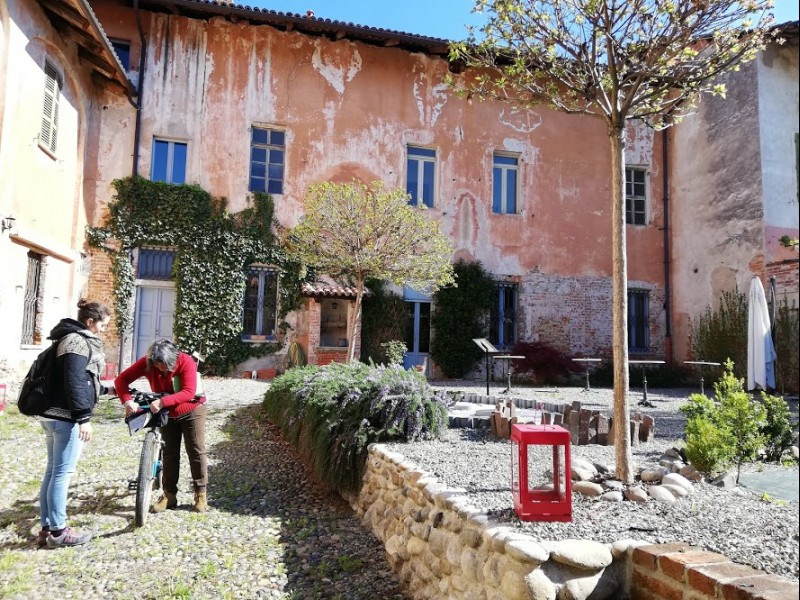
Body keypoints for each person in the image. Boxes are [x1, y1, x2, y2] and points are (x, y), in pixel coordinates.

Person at [38, 299, 112, 549]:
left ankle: (47, 527)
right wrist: (83, 418)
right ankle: (59, 531)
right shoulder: (77, 341)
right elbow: (74, 381)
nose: (103, 330)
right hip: (65, 417)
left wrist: (105, 389)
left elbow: (80, 380)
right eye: (102, 325)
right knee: (62, 473)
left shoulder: (66, 338)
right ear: (90, 322)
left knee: (53, 471)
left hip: (51, 415)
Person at [114, 339, 208, 513]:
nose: (163, 369)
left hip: (192, 409)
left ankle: (200, 493)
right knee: (169, 453)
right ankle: (169, 495)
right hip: (167, 413)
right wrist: (127, 401)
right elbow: (121, 380)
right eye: (158, 366)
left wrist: (163, 401)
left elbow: (188, 392)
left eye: (166, 366)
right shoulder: (147, 363)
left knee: (196, 449)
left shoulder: (185, 361)